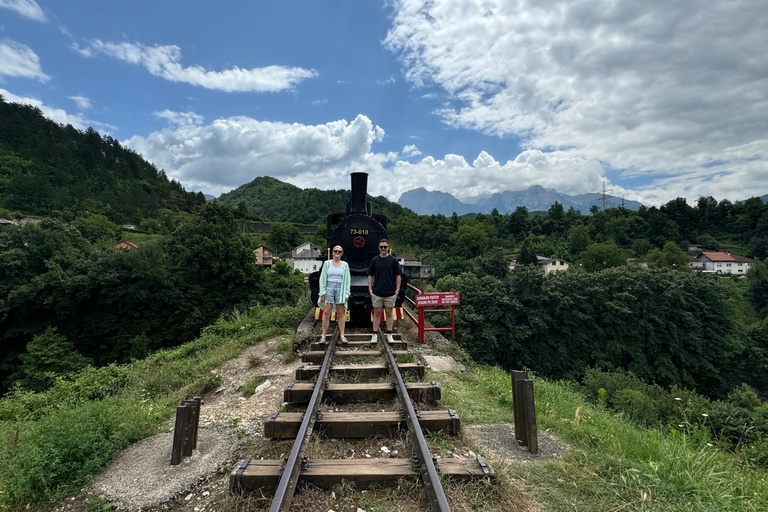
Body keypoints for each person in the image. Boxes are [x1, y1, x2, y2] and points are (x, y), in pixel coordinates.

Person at [367, 238, 401, 343]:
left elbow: (398, 275)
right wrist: (370, 289)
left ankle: (389, 334)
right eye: (381, 247)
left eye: (385, 247)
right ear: (379, 248)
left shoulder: (393, 260)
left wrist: (397, 289)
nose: (383, 249)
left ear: (388, 247)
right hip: (377, 291)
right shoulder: (374, 260)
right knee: (377, 313)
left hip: (390, 291)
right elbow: (370, 275)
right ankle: (374, 334)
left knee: (389, 313)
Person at [318, 245, 351, 343]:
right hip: (329, 288)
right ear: (332, 252)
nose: (337, 252)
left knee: (341, 314)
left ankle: (342, 335)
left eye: (339, 251)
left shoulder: (345, 265)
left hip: (340, 289)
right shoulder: (327, 263)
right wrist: (322, 291)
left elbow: (348, 280)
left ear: (342, 253)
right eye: (336, 251)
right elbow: (322, 278)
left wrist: (346, 293)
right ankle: (323, 336)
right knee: (326, 313)